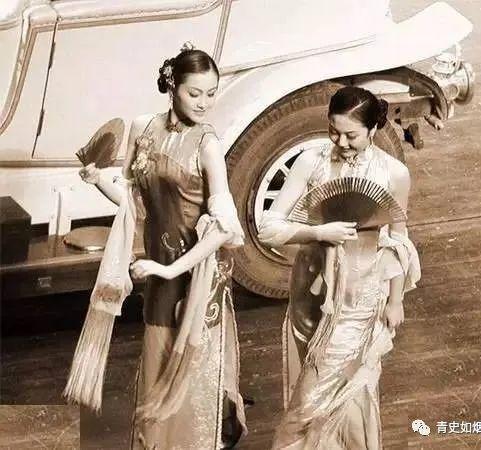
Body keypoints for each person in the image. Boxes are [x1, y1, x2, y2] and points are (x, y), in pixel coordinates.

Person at [80, 44, 246, 450]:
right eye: (195, 93)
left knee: (191, 371)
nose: (204, 103)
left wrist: (170, 269)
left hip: (196, 272)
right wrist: (98, 179)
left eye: (211, 93)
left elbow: (224, 228)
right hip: (159, 267)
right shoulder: (143, 128)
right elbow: (132, 203)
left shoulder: (208, 145)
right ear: (172, 87)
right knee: (157, 363)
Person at [258, 86, 421, 449]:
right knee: (321, 386)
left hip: (361, 297)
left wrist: (396, 300)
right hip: (312, 293)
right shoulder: (311, 162)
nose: (341, 142)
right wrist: (318, 232)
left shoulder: (393, 173)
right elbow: (268, 229)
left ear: (373, 129)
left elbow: (397, 240)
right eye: (334, 131)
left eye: (352, 135)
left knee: (320, 395)